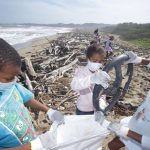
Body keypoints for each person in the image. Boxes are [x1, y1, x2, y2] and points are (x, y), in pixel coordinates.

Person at [0, 38, 64, 149]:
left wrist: (49, 111)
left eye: (15, 76)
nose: (14, 81)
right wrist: (32, 146)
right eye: (9, 78)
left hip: (31, 139)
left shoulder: (10, 86)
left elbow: (27, 99)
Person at [107, 51, 150, 150]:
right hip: (138, 121)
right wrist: (137, 59)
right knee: (113, 144)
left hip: (143, 140)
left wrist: (125, 132)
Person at [71, 45, 111, 116]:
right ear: (88, 58)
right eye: (94, 61)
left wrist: (102, 105)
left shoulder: (99, 74)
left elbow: (102, 93)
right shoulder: (81, 71)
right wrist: (91, 79)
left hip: (96, 109)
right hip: (83, 110)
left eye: (100, 61)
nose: (97, 64)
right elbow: (74, 85)